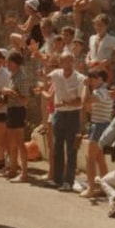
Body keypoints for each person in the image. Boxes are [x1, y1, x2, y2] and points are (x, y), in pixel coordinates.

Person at [46, 52, 86, 191]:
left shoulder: (80, 78)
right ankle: (57, 180)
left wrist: (65, 103)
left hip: (73, 115)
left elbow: (81, 100)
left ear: (73, 62)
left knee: (71, 149)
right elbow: (45, 76)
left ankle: (68, 181)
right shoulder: (56, 74)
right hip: (59, 114)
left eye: (69, 62)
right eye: (63, 62)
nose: (66, 65)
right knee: (57, 147)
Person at [0, 50, 33, 181]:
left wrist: (11, 93)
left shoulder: (22, 77)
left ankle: (24, 173)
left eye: (9, 62)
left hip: (18, 110)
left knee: (19, 142)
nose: (7, 64)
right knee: (11, 141)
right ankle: (13, 169)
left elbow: (25, 100)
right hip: (11, 109)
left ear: (15, 63)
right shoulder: (12, 76)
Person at [81, 69, 113, 197]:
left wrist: (85, 86)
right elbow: (88, 108)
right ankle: (106, 188)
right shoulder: (98, 91)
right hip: (98, 125)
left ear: (100, 79)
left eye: (93, 79)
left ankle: (91, 188)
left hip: (100, 126)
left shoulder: (103, 92)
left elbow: (85, 102)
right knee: (100, 159)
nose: (91, 82)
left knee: (90, 158)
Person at [85, 13, 115, 85]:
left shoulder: (111, 40)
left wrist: (109, 60)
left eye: (100, 25)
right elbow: (90, 51)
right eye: (96, 25)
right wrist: (87, 60)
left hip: (105, 70)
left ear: (106, 26)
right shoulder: (92, 38)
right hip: (93, 69)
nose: (98, 27)